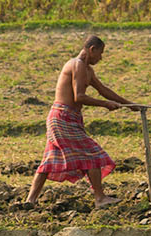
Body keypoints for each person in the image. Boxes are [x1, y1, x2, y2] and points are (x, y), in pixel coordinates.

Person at [28, 35, 135, 208]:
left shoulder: (87, 70)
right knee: (92, 155)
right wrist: (105, 105)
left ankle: (30, 200)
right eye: (100, 54)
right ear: (91, 50)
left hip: (69, 118)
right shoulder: (76, 65)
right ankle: (100, 198)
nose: (100, 58)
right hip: (62, 117)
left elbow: (103, 90)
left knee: (50, 160)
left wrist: (129, 104)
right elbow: (79, 97)